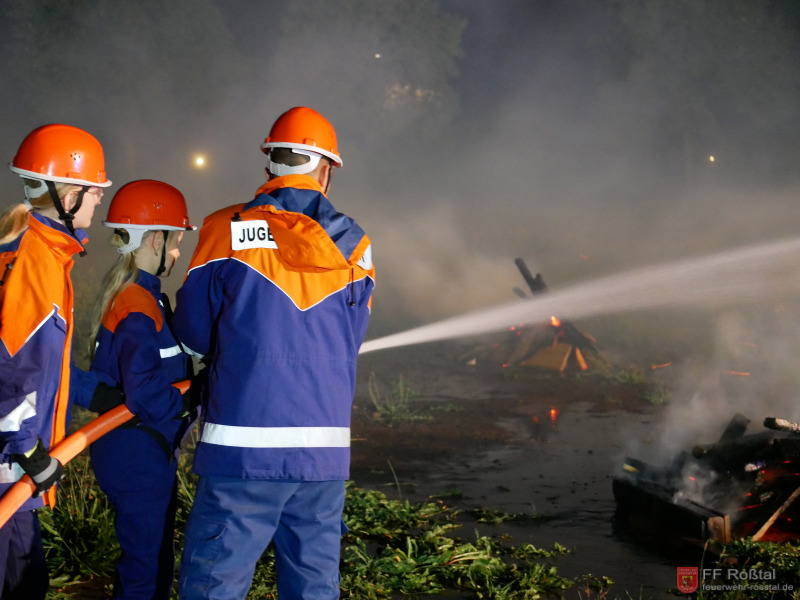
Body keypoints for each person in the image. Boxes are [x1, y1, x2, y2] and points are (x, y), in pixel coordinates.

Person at [174, 106, 375, 600]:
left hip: (242, 447)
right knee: (313, 587)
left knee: (215, 583)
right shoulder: (356, 245)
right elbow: (351, 338)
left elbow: (194, 335)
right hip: (323, 454)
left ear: (269, 164)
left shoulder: (225, 229)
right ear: (326, 169)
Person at [0, 124, 111, 599]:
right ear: (69, 196)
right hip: (8, 469)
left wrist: (96, 393)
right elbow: (11, 367)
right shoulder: (36, 261)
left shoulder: (31, 249)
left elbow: (41, 361)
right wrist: (29, 452)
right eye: (94, 190)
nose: (100, 198)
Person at [75, 179, 197, 600]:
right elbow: (146, 394)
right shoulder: (137, 304)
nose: (177, 253)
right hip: (136, 454)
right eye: (176, 241)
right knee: (146, 570)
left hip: (140, 449)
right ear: (156, 239)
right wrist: (191, 397)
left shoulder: (143, 296)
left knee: (154, 559)